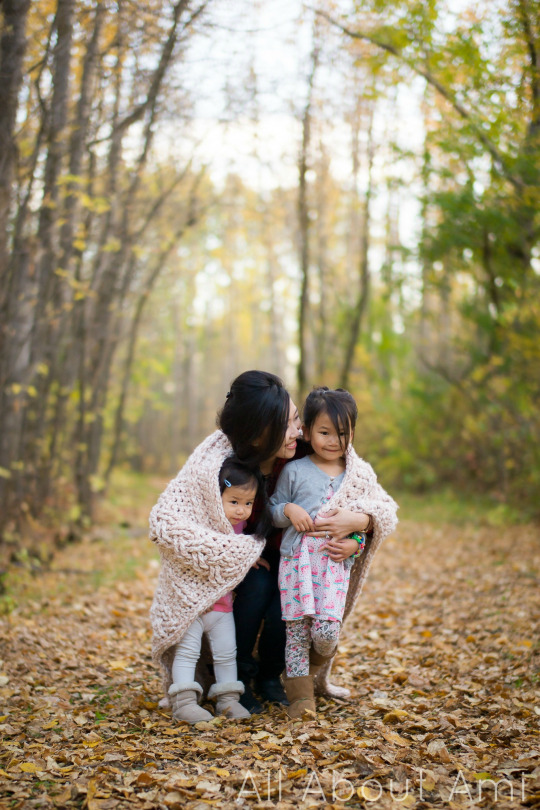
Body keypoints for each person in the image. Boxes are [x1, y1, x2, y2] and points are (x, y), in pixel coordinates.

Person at [269, 387, 398, 718]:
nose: (333, 441)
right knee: (296, 631)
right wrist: (289, 510)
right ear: (308, 431)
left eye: (343, 433)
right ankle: (300, 701)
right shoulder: (294, 471)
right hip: (296, 564)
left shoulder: (358, 475)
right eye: (324, 432)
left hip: (333, 565)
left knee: (326, 632)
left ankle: (306, 674)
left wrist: (356, 541)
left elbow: (378, 515)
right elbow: (272, 509)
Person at [164, 457, 267, 723]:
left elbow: (237, 549)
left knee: (226, 653)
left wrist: (248, 555)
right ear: (215, 496)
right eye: (234, 501)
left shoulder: (241, 526)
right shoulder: (202, 525)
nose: (241, 510)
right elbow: (205, 553)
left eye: (248, 503)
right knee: (187, 652)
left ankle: (228, 700)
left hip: (224, 606)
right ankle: (184, 702)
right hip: (194, 604)